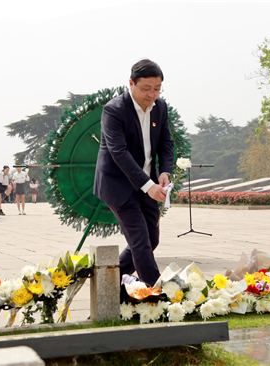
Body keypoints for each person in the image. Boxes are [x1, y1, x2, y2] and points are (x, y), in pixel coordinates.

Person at [94, 59, 174, 286]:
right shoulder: (114, 110)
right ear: (131, 83)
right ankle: (157, 295)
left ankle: (107, 282)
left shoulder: (160, 107)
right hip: (118, 184)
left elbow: (166, 142)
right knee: (140, 241)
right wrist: (149, 187)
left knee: (152, 238)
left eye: (157, 89)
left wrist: (165, 171)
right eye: (146, 89)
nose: (152, 95)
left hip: (147, 182)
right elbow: (119, 153)